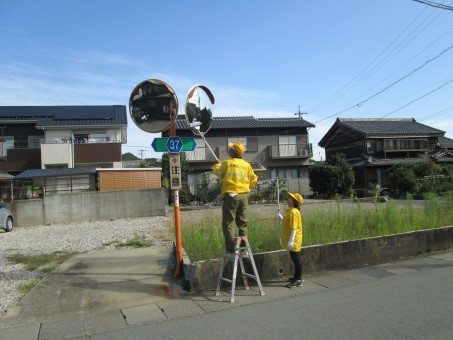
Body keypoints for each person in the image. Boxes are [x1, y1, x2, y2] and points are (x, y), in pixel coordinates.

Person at [213, 142, 258, 252]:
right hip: (244, 196)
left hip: (231, 196)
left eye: (230, 149)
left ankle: (231, 248)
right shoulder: (247, 165)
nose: (228, 150)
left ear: (234, 152)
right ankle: (243, 247)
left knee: (228, 223)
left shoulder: (227, 163)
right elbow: (254, 179)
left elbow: (218, 173)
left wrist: (217, 165)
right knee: (242, 222)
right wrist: (247, 187)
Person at [281, 192, 304, 287]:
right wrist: (282, 218)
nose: (288, 198)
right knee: (295, 259)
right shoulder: (290, 211)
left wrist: (291, 241)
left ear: (294, 201)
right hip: (292, 239)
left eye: (290, 198)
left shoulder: (294, 212)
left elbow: (294, 228)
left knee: (297, 259)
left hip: (294, 239)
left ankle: (299, 278)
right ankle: (296, 276)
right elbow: (289, 223)